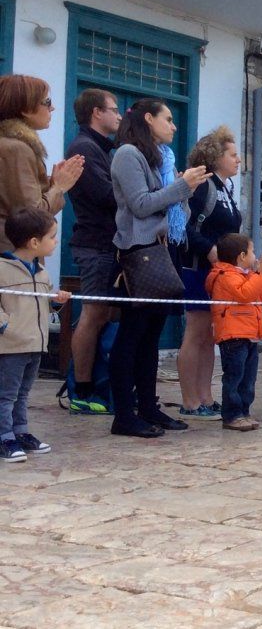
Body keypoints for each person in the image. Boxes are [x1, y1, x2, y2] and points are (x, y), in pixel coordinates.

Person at [108, 99, 211, 438]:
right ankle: (124, 414)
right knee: (132, 335)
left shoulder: (157, 158)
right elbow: (140, 205)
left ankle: (149, 407)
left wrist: (184, 189)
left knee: (151, 336)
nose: (174, 125)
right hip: (138, 253)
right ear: (148, 119)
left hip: (161, 250)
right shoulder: (128, 154)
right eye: (168, 119)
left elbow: (171, 209)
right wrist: (181, 187)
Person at [176, 126, 242, 420]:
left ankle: (206, 396)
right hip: (198, 268)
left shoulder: (226, 188)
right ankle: (190, 400)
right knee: (195, 332)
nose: (238, 160)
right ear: (216, 157)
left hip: (220, 272)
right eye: (232, 154)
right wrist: (208, 249)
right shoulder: (203, 186)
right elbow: (184, 225)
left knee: (209, 336)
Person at [66, 89, 122, 414]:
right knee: (94, 313)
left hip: (107, 244)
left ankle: (99, 385)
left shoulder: (101, 148)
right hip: (95, 244)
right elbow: (106, 196)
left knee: (106, 314)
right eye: (113, 109)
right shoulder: (84, 148)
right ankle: (82, 389)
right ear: (97, 113)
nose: (119, 115)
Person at [0, 208, 70, 462]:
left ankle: (20, 432)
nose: (56, 241)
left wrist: (55, 302)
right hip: (12, 345)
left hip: (35, 344)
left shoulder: (41, 272)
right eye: (52, 237)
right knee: (6, 394)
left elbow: (42, 305)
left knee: (23, 393)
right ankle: (4, 437)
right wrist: (6, 326)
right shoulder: (2, 269)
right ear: (34, 242)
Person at [0, 74, 84, 253]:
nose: (52, 108)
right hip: (13, 255)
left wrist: (50, 183)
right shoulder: (16, 149)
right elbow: (30, 217)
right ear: (25, 109)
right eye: (47, 102)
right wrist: (59, 187)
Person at [205, 233, 262, 431]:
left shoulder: (247, 275)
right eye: (253, 251)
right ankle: (232, 415)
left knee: (248, 379)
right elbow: (245, 294)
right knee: (234, 377)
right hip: (233, 335)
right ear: (242, 256)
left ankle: (244, 412)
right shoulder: (225, 276)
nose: (256, 255)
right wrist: (261, 276)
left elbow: (261, 297)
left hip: (249, 334)